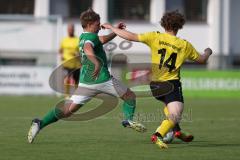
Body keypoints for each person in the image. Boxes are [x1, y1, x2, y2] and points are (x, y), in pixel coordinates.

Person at [27, 9, 146, 144]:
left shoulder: (83, 37)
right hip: (102, 79)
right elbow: (89, 49)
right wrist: (96, 62)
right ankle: (128, 119)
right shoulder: (90, 39)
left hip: (86, 83)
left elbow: (101, 40)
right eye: (97, 24)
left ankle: (40, 123)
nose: (99, 26)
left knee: (67, 111)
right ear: (90, 24)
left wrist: (115, 32)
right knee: (130, 96)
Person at [102, 10, 212, 149]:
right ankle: (158, 135)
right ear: (179, 26)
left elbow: (130, 36)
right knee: (176, 112)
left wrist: (112, 28)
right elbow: (202, 59)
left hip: (155, 86)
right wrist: (208, 51)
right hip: (171, 84)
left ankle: (177, 131)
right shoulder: (184, 45)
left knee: (171, 109)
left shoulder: (155, 36)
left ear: (163, 24)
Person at [59, 23, 81, 98]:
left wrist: (78, 54)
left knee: (76, 80)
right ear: (67, 30)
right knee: (66, 78)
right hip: (66, 63)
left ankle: (77, 95)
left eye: (71, 29)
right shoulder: (64, 40)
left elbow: (81, 51)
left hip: (76, 64)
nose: (70, 31)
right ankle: (67, 95)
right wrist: (61, 56)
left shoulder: (77, 39)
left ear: (74, 30)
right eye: (69, 29)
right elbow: (60, 50)